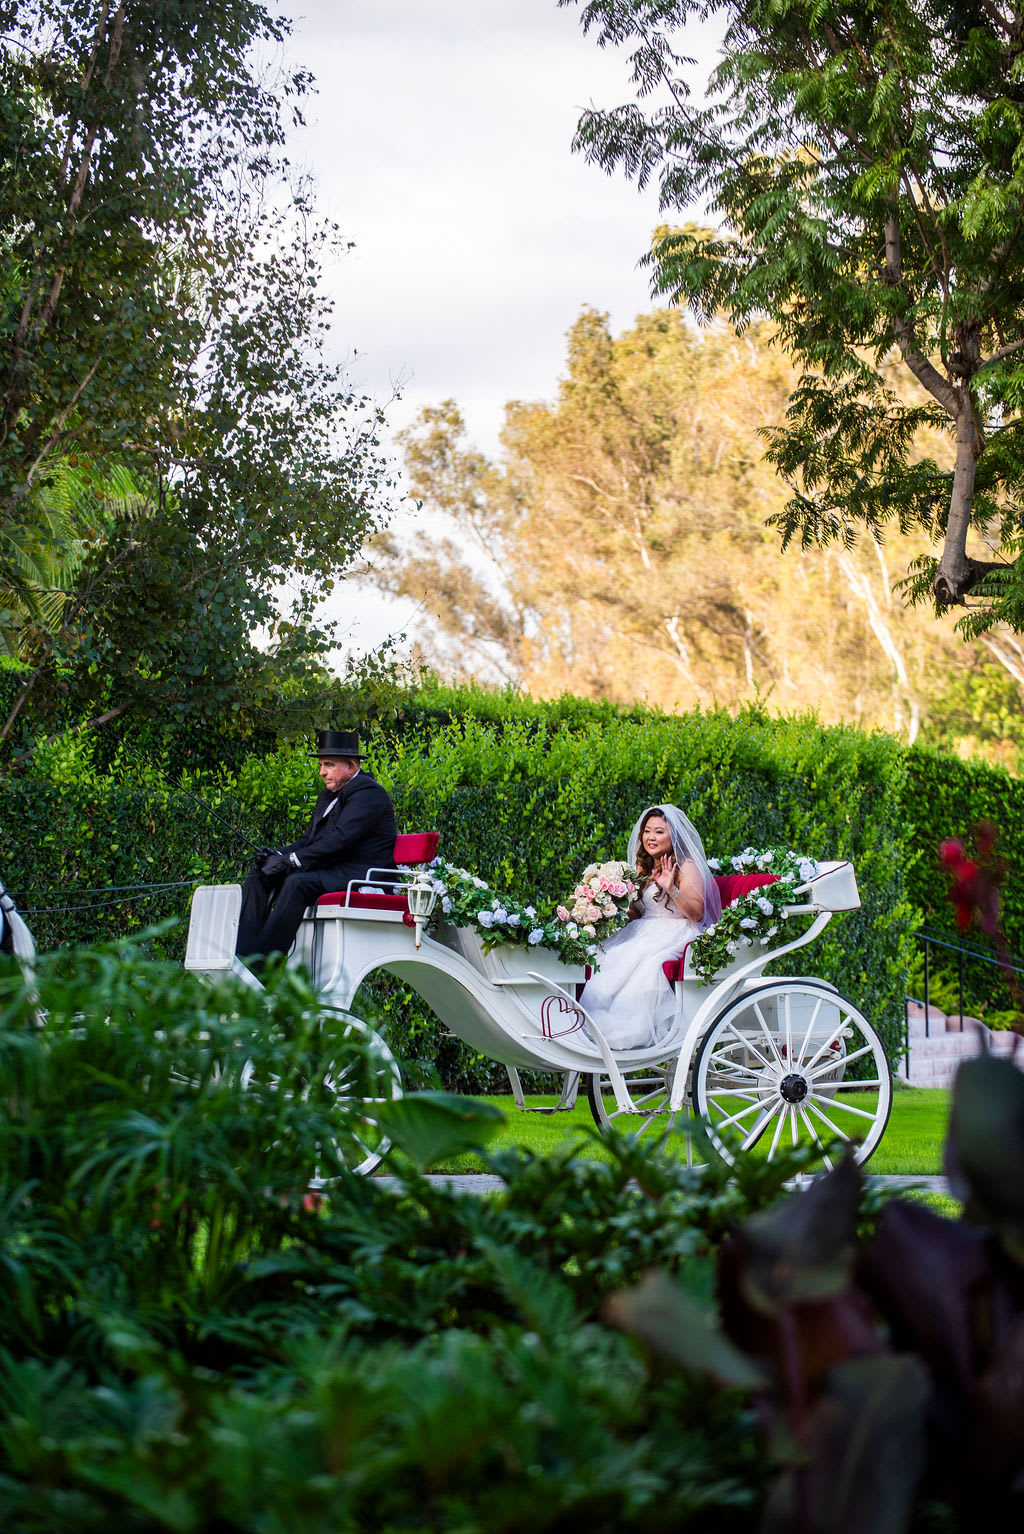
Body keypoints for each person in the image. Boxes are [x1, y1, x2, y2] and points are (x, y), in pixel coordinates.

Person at [235, 729, 397, 967]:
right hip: (331, 870)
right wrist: (278, 855)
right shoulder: (329, 794)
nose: (322, 772)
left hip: (358, 874)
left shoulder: (368, 792)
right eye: (322, 765)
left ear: (351, 766)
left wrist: (291, 861)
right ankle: (243, 956)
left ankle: (262, 967)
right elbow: (309, 840)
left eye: (329, 765)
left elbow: (340, 840)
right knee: (261, 872)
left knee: (297, 883)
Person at [578, 804, 722, 1049]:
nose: (651, 838)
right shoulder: (643, 867)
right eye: (647, 831)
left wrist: (671, 888)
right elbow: (637, 911)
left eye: (659, 832)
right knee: (606, 957)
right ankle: (585, 1023)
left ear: (673, 835)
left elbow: (697, 914)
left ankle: (621, 1029)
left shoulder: (686, 866)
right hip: (645, 929)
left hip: (676, 930)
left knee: (646, 967)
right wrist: (608, 904)